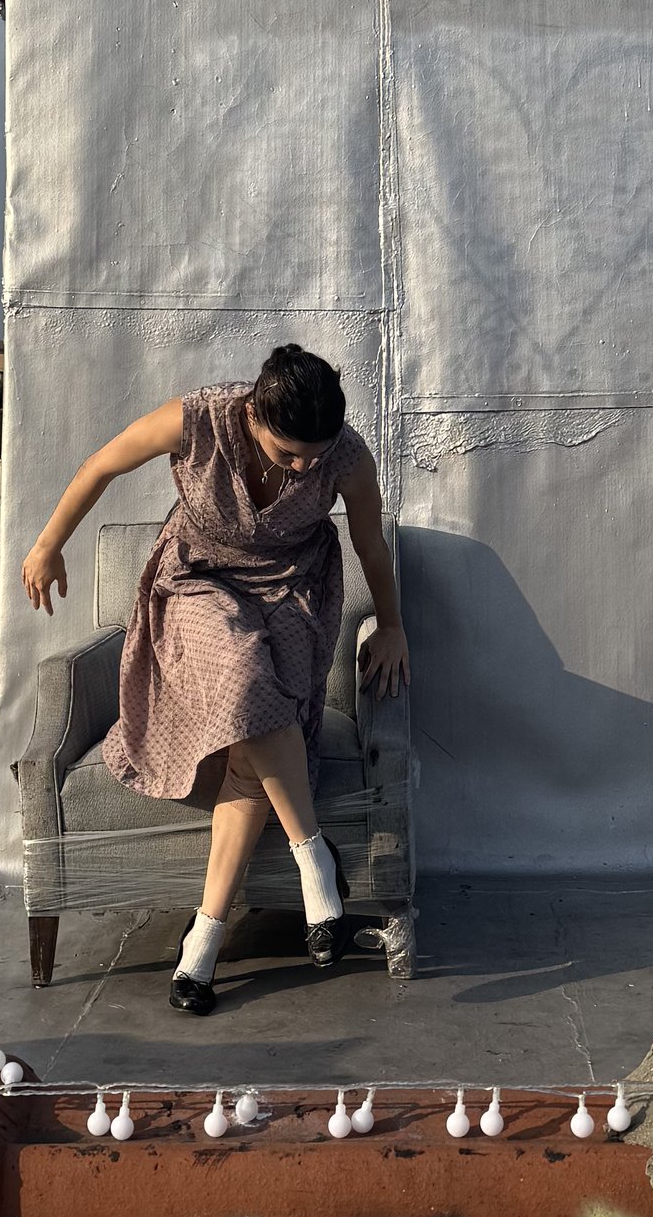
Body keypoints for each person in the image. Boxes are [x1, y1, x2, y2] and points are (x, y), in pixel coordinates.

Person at [20, 344, 409, 1014]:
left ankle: (204, 937)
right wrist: (47, 542)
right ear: (253, 414)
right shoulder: (197, 420)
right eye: (289, 454)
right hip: (198, 583)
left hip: (291, 593)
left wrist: (393, 624)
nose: (304, 467)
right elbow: (102, 464)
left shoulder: (347, 455)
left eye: (314, 456)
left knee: (251, 751)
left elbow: (370, 541)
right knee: (242, 674)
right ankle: (313, 856)